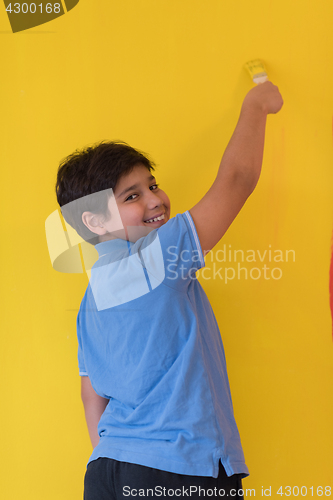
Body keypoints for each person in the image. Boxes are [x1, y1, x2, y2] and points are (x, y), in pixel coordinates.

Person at [55, 81, 283, 500]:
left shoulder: (90, 303)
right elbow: (237, 179)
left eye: (152, 185)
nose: (156, 199)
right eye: (132, 195)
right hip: (178, 469)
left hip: (108, 470)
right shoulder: (160, 256)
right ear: (95, 223)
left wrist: (119, 467)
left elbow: (92, 395)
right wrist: (257, 104)